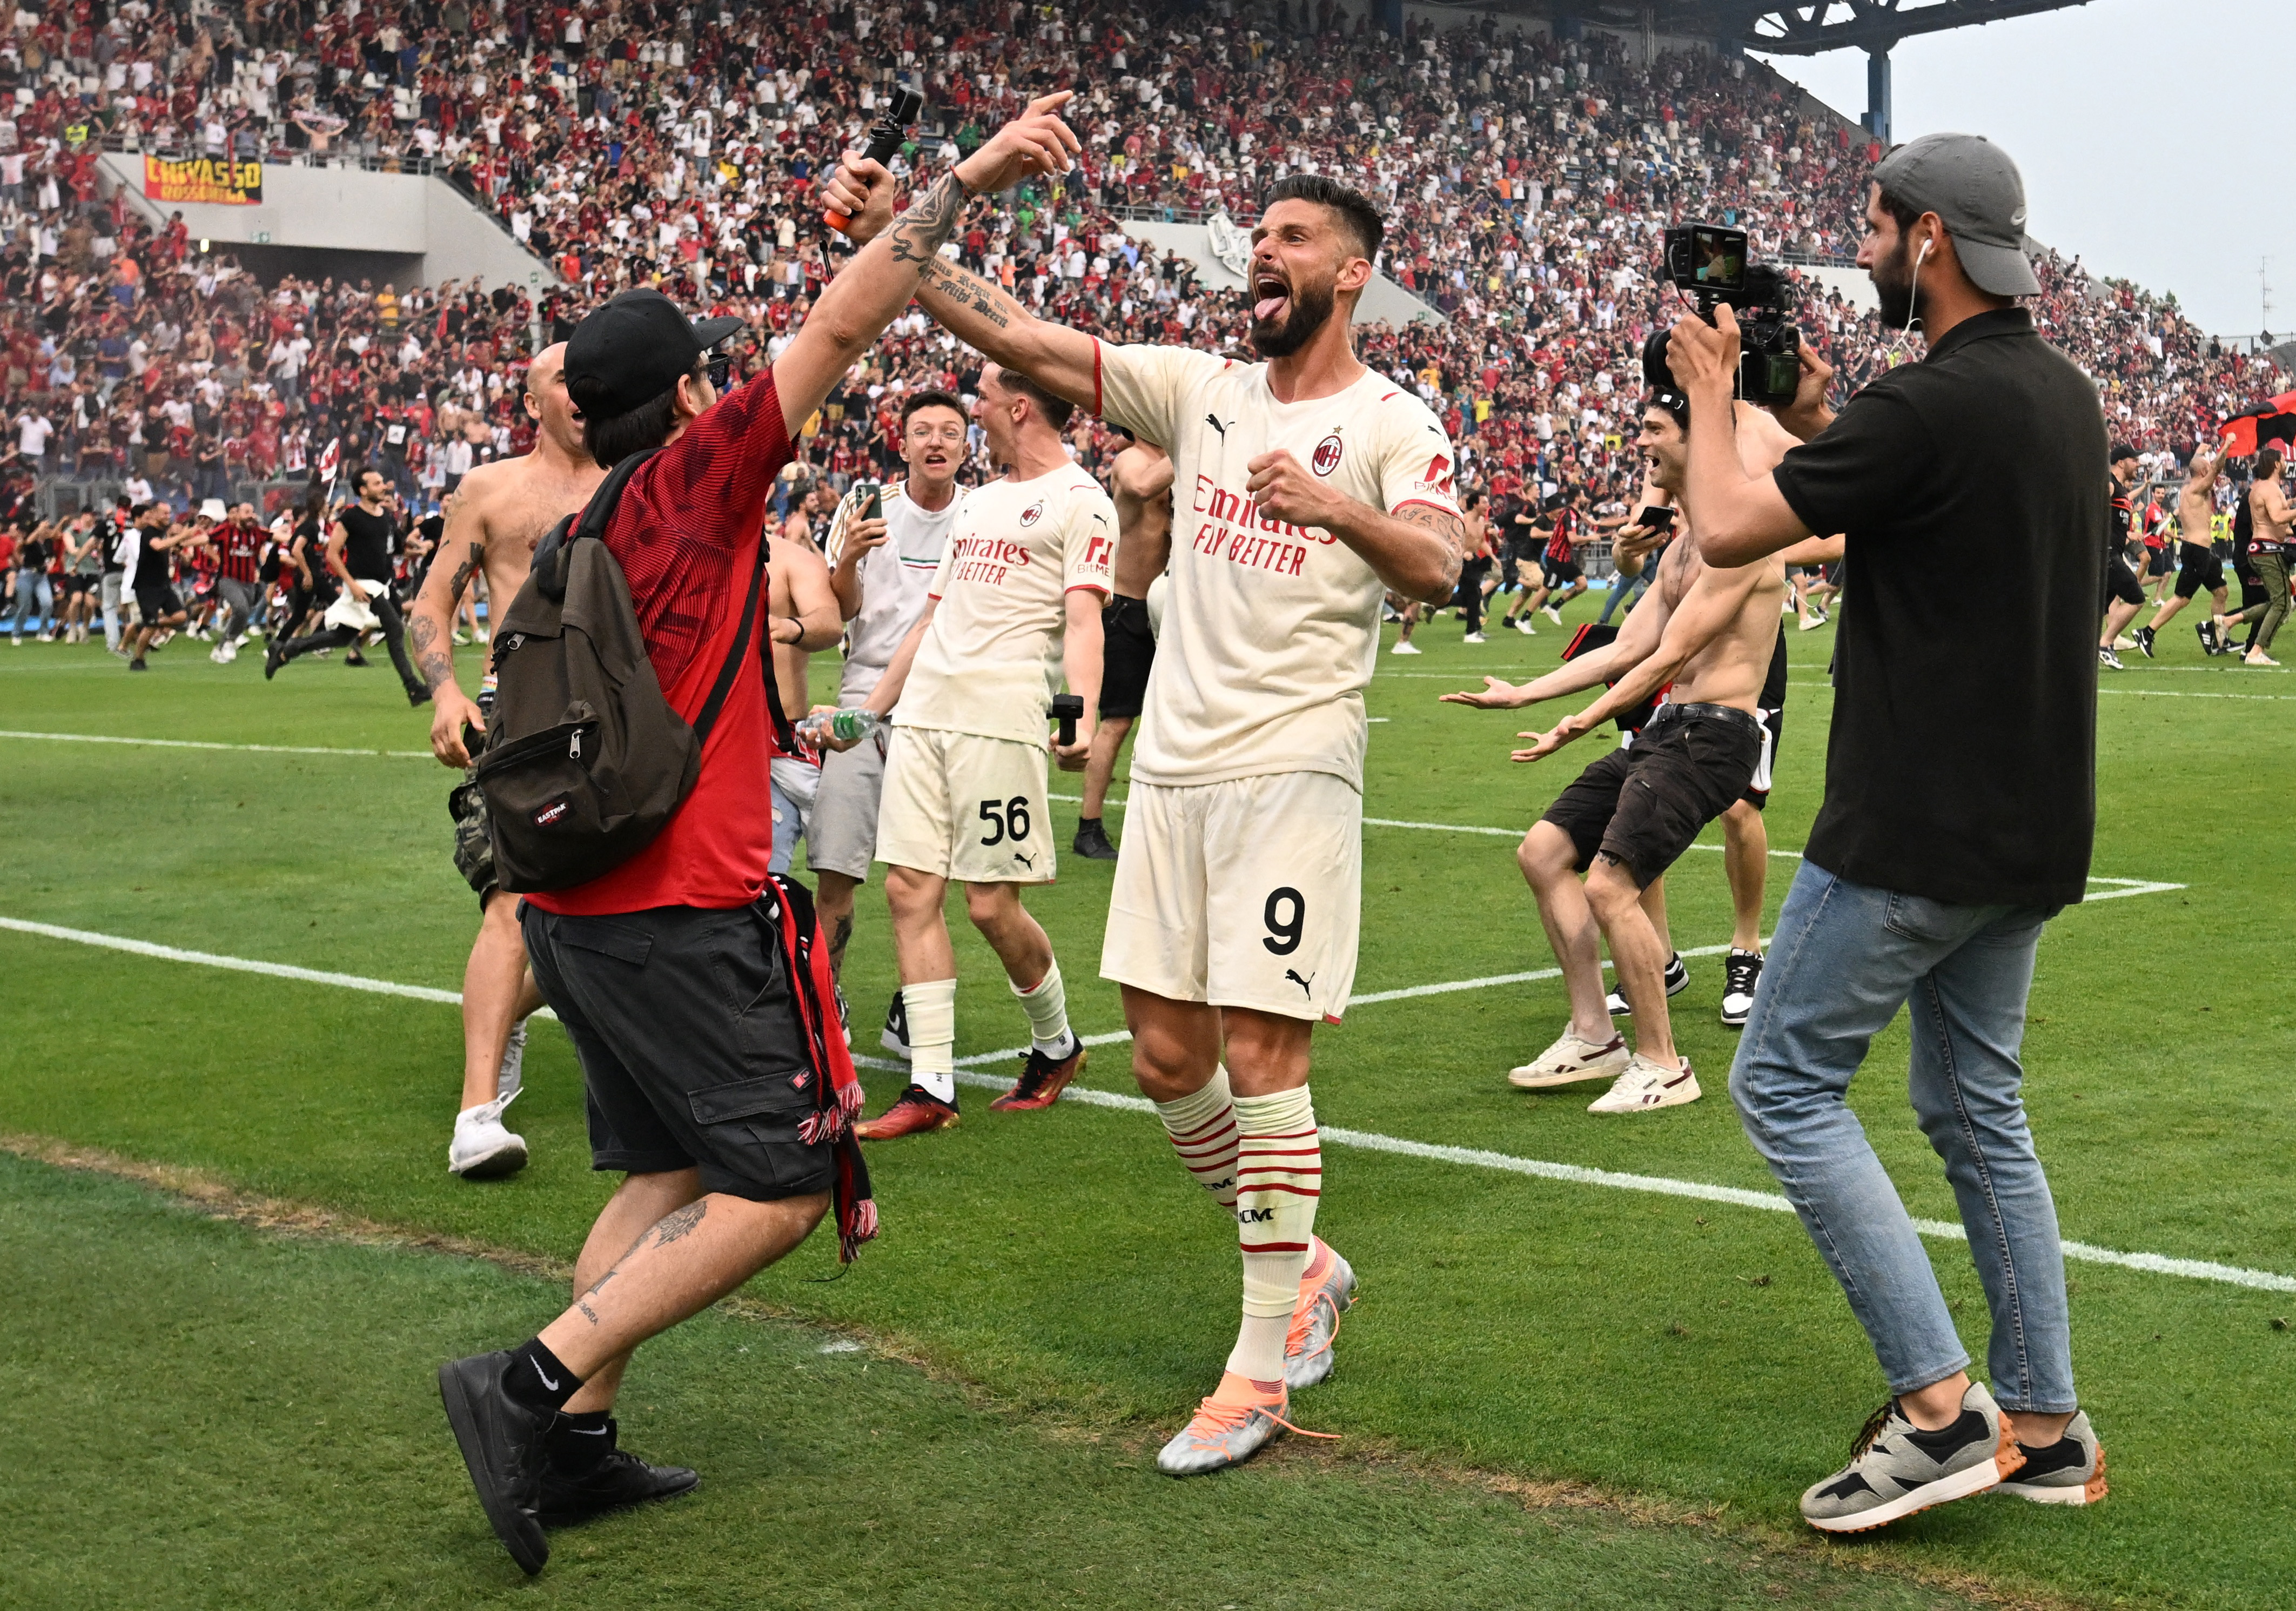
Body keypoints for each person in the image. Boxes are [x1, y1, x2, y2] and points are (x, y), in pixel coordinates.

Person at [435, 98, 1082, 1579]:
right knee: (784, 1186)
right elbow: (848, 324)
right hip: (681, 906)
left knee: (663, 1174)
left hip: (581, 911)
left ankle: (577, 1442)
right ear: (680, 397)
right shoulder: (690, 487)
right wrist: (970, 173)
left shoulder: (591, 518)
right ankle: (528, 1380)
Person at [826, 160, 1465, 1473]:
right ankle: (1309, 1264)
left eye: (1294, 238)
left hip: (1294, 769)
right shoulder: (1198, 388)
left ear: (1352, 272)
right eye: (1258, 238)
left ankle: (1257, 1373)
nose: (1263, 254)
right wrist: (911, 222)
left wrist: (1334, 506)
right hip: (1172, 772)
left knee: (1263, 1055)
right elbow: (1003, 329)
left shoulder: (1396, 419)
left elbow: (1443, 565)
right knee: (1171, 1063)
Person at [1669, 132, 2108, 1531]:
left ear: (1927, 239)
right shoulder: (2058, 394)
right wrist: (1799, 415)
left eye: (1871, 228)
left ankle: (1940, 1408)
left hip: (1909, 825)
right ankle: (2043, 1424)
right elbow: (1918, 499)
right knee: (1973, 1103)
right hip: (2029, 826)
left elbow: (1731, 526)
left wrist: (1705, 398)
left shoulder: (1926, 404)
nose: (1858, 253)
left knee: (1783, 1086)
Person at [1442, 375, 1797, 1114]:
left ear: (1698, 442)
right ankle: (1593, 1034)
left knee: (1608, 885)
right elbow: (1623, 649)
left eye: (1653, 431)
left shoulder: (1741, 544)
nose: (1640, 443)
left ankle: (1663, 1064)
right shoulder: (1680, 550)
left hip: (1716, 735)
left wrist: (1580, 721)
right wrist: (1525, 692)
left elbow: (1667, 655)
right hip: (1673, 728)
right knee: (1542, 852)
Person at [841, 361, 1110, 1139]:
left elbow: (1085, 621)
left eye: (984, 395)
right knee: (906, 891)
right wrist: (868, 713)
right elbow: (929, 621)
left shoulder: (1079, 501)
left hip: (999, 716)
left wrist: (1081, 715)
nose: (973, 406)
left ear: (1018, 407)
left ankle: (1056, 1044)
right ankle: (930, 1084)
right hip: (925, 712)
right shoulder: (982, 502)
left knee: (991, 903)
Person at [407, 344, 604, 1181]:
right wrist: (446, 691)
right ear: (533, 401)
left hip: (615, 719)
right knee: (512, 903)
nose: (580, 388)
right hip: (516, 714)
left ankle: (520, 1008)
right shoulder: (491, 488)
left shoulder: (637, 478)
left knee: (611, 920)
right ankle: (475, 1116)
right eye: (562, 376)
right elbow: (433, 599)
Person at [809, 390, 970, 1005]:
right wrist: (848, 556)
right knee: (836, 873)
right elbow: (842, 608)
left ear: (964, 447)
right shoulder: (864, 503)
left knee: (925, 882)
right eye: (922, 431)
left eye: (949, 432)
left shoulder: (979, 514)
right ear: (901, 444)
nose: (935, 442)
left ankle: (915, 1009)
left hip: (940, 707)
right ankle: (827, 1008)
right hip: (859, 704)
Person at [1075, 429, 1171, 859]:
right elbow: (1140, 486)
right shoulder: (1131, 459)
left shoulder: (1176, 460)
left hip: (1171, 606)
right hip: (1127, 606)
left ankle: (1159, 820)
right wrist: (1194, 442)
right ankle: (1088, 826)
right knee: (1117, 721)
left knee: (1171, 720)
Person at [266, 467, 431, 703]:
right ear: (363, 491)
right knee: (395, 628)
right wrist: (352, 585)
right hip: (362, 585)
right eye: (376, 483)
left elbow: (394, 548)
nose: (383, 486)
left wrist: (418, 549)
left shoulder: (385, 516)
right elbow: (333, 554)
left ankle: (289, 650)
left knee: (343, 637)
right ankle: (413, 687)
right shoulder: (350, 518)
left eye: (382, 482)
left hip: (382, 585)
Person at [2135, 445, 2227, 657]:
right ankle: (2147, 633)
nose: (2210, 467)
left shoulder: (2189, 485)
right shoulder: (2196, 489)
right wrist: (2228, 445)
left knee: (2221, 592)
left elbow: (2199, 468)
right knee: (2182, 598)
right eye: (2207, 466)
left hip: (2204, 551)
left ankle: (2219, 638)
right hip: (2197, 551)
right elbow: (2215, 470)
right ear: (2203, 471)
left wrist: (2199, 454)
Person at [2213, 447, 2291, 667]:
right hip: (2268, 550)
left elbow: (2278, 524)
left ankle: (2230, 620)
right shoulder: (2270, 488)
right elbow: (2277, 517)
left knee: (2278, 601)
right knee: (2283, 603)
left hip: (2260, 549)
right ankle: (2255, 651)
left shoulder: (2260, 488)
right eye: (2283, 460)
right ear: (2276, 464)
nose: (2286, 464)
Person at [120, 503, 189, 670]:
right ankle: (138, 660)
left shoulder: (161, 532)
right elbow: (158, 546)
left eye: (169, 513)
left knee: (181, 617)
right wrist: (182, 536)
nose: (168, 516)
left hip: (163, 585)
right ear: (154, 514)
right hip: (147, 587)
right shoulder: (149, 532)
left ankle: (147, 623)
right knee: (150, 627)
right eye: (165, 513)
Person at [2096, 444, 2145, 670]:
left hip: (2113, 551)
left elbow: (2114, 523)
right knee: (2136, 597)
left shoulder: (2121, 490)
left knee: (2098, 610)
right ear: (2121, 462)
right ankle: (2105, 645)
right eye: (2134, 460)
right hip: (2106, 554)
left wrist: (2128, 535)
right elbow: (2094, 515)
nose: (2138, 464)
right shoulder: (2108, 484)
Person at [207, 501, 265, 662]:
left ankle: (220, 647)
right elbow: (207, 543)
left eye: (252, 512)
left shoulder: (254, 532)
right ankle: (230, 642)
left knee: (243, 613)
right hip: (228, 578)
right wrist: (219, 560)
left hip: (248, 580)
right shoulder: (225, 530)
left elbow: (269, 539)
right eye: (245, 512)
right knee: (241, 609)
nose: (250, 515)